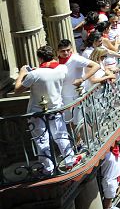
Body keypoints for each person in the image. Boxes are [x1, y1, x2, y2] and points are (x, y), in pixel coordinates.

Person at [14, 45, 80, 174]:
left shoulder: (34, 74)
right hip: (55, 108)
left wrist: (22, 74)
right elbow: (48, 73)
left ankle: (48, 168)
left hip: (36, 111)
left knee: (41, 140)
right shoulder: (62, 68)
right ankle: (69, 161)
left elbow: (17, 90)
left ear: (39, 58)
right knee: (61, 135)